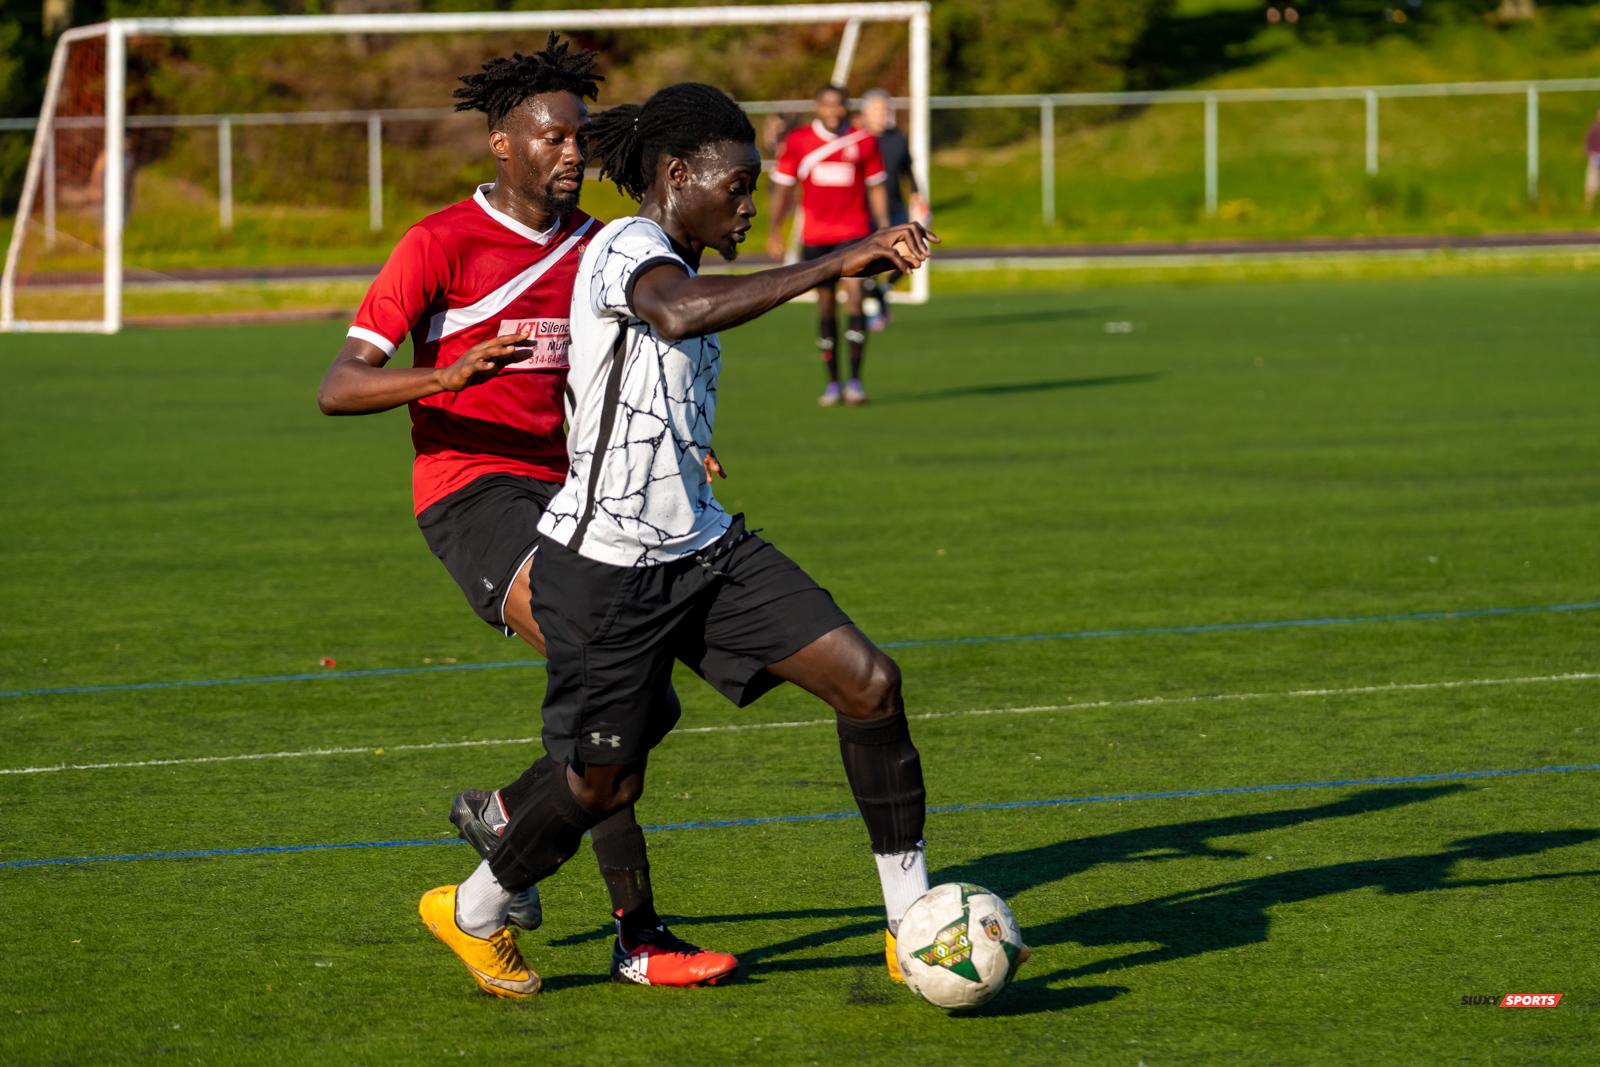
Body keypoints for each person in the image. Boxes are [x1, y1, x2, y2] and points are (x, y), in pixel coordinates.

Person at [423, 81, 945, 1001]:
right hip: (607, 572)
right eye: (738, 186)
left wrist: (686, 447)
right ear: (675, 174)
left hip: (704, 551)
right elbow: (676, 314)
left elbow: (644, 372)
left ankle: (909, 922)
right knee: (599, 788)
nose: (750, 204)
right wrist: (839, 260)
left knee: (869, 683)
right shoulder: (630, 246)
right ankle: (473, 906)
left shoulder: (677, 252)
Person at [316, 36, 730, 995]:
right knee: (611, 688)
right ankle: (637, 932)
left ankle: (506, 816)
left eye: (580, 136)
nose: (572, 153)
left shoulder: (601, 246)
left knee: (640, 701)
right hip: (472, 491)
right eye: (551, 137)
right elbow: (339, 387)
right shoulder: (439, 244)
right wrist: (446, 372)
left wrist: (684, 436)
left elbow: (627, 370)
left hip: (583, 494)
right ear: (502, 145)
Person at [766, 84, 891, 406]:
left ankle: (855, 381)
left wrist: (885, 228)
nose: (834, 111)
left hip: (855, 234)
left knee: (854, 298)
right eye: (827, 105)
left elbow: (876, 187)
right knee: (825, 307)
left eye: (840, 106)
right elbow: (783, 188)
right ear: (817, 107)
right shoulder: (799, 141)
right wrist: (774, 229)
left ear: (847, 107)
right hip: (816, 237)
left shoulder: (863, 141)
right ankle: (833, 382)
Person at [856, 87, 926, 331]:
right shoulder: (859, 139)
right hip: (866, 211)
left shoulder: (898, 137)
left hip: (896, 208)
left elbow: (909, 170)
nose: (881, 113)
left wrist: (919, 198)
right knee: (870, 262)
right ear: (865, 112)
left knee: (912, 255)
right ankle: (872, 311)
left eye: (885, 108)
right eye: (876, 109)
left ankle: (882, 292)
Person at [1585, 107, 1600, 214]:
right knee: (1591, 184)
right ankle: (1588, 209)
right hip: (1594, 159)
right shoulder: (1593, 128)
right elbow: (1587, 143)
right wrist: (1591, 154)